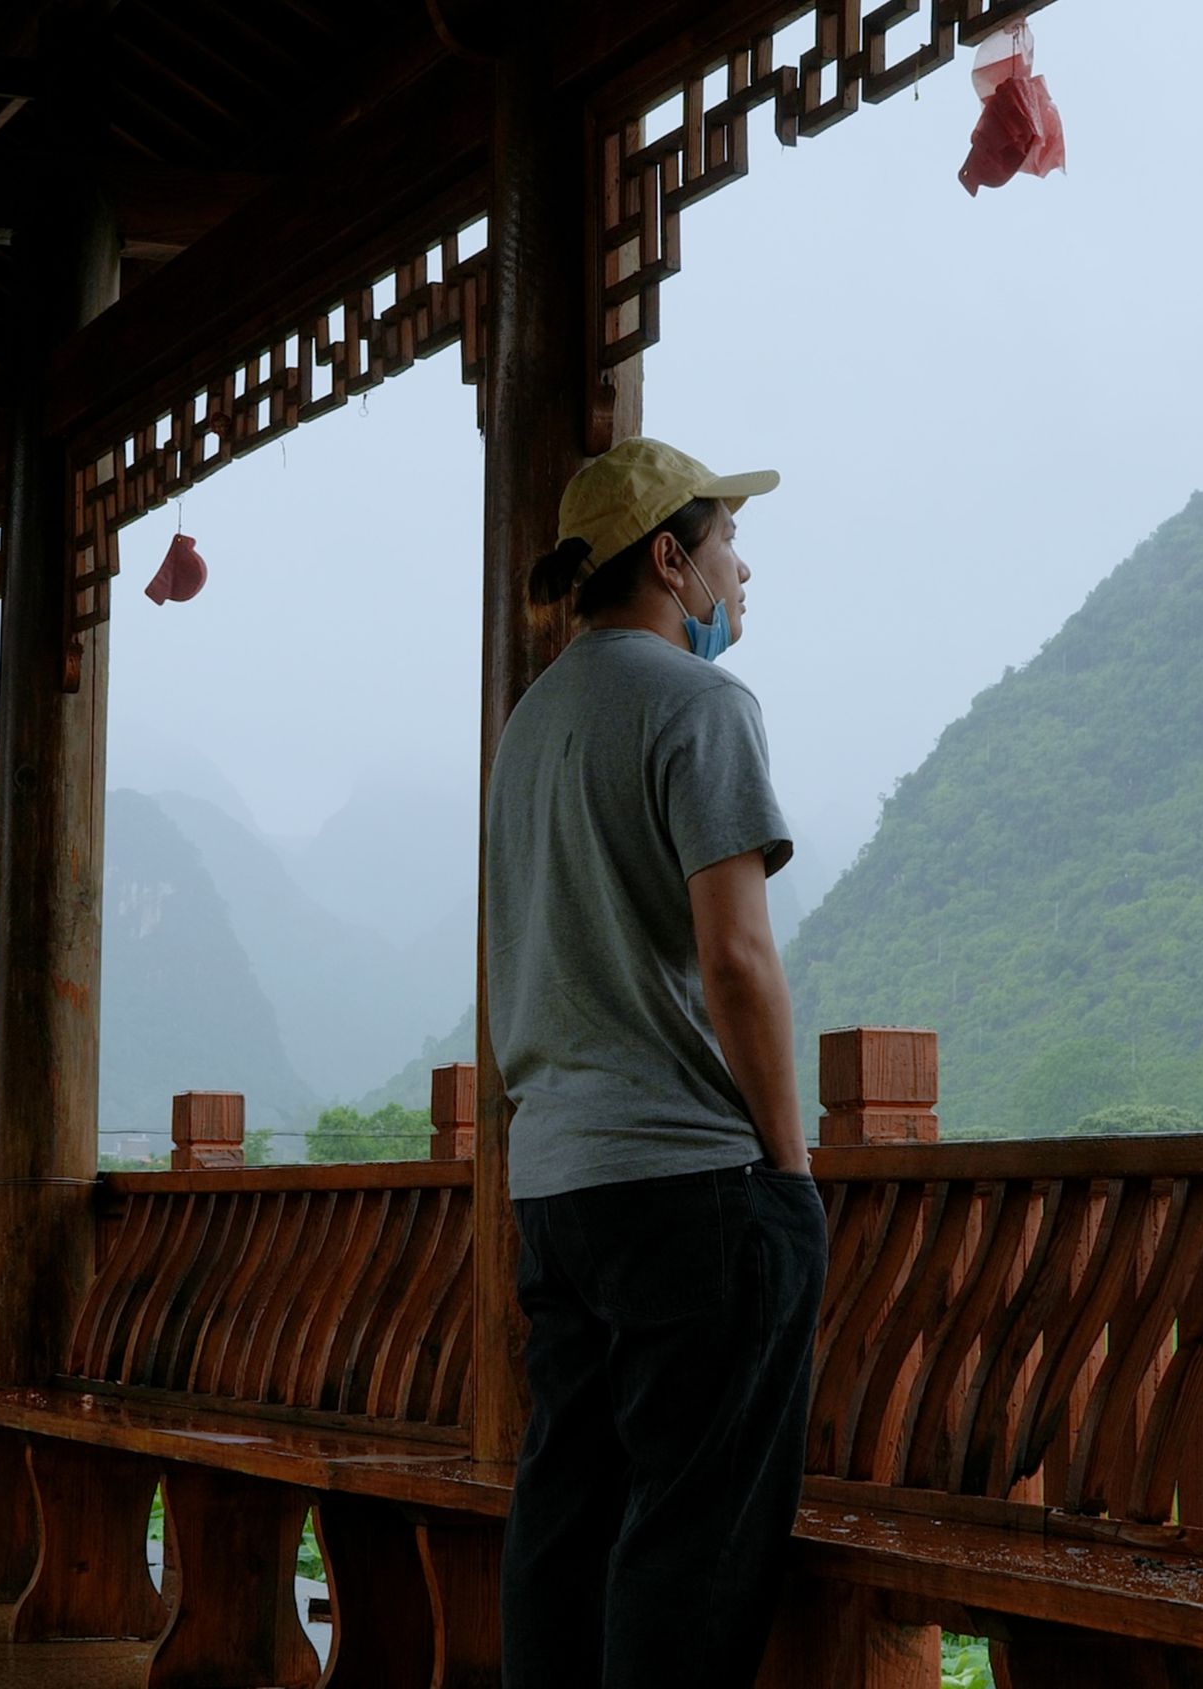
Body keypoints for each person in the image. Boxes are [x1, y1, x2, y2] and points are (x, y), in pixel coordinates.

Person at [485, 437, 828, 1687]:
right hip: (690, 1184)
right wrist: (785, 1175)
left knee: (567, 1515)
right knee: (696, 1533)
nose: (744, 574)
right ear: (670, 560)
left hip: (557, 1188)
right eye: (730, 545)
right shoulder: (700, 705)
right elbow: (735, 961)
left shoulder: (531, 725)